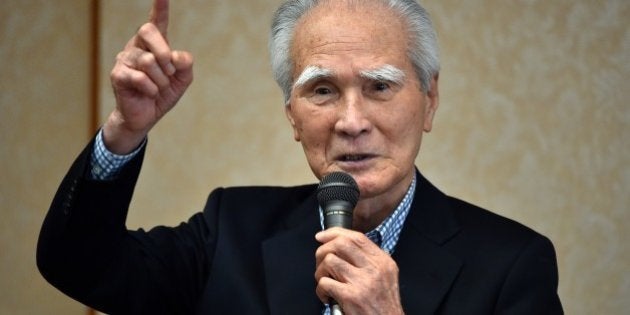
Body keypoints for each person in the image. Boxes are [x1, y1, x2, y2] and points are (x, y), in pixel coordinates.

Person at [37, 0, 563, 314]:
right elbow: (79, 266)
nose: (351, 121)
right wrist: (125, 131)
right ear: (292, 114)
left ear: (430, 101)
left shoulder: (512, 265)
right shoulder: (231, 230)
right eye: (323, 91)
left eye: (380, 86)